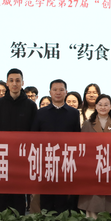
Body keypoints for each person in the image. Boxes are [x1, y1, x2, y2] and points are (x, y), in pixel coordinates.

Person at [0, 68, 38, 214]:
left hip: (22, 156)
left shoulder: (30, 105)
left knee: (19, 193)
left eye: (17, 80)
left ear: (22, 83)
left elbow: (34, 132)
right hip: (2, 155)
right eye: (11, 80)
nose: (14, 83)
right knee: (1, 192)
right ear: (7, 83)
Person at [33, 79, 81, 213]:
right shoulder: (41, 113)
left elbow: (77, 137)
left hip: (65, 161)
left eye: (61, 90)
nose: (58, 92)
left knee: (63, 198)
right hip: (46, 161)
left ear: (66, 92)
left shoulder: (74, 113)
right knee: (46, 198)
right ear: (50, 92)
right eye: (55, 90)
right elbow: (34, 136)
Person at [78, 94, 111, 217]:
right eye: (100, 104)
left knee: (110, 203)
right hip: (92, 167)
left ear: (110, 106)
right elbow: (82, 146)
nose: (103, 107)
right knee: (92, 203)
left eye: (106, 105)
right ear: (96, 106)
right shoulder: (88, 124)